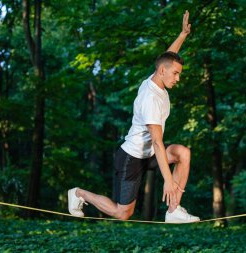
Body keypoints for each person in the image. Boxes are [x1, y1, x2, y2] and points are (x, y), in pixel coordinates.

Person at [68, 10, 200, 223]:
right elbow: (157, 142)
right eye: (175, 74)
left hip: (148, 154)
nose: (178, 78)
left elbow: (167, 58)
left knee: (182, 153)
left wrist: (183, 34)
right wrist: (167, 180)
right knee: (123, 213)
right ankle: (78, 193)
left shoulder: (157, 78)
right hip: (131, 157)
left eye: (178, 74)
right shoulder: (150, 99)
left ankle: (173, 210)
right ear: (162, 73)